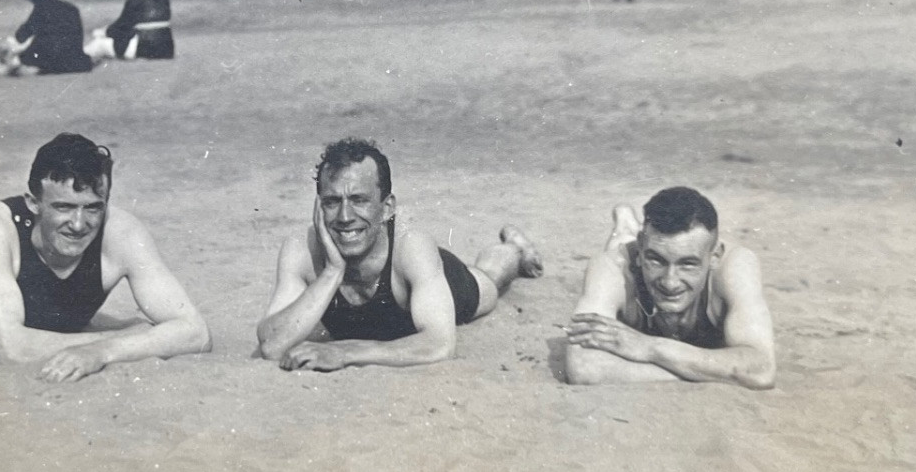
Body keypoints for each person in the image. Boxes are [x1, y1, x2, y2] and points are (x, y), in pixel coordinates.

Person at [0, 134, 210, 381]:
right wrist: (138, 337)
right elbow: (9, 350)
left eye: (93, 208)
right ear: (33, 203)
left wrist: (101, 352)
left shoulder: (122, 232)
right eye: (63, 207)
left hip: (52, 327)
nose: (78, 224)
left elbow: (196, 333)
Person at [257, 138, 544, 371]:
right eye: (333, 202)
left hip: (443, 279)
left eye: (359, 200)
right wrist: (332, 271)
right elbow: (271, 345)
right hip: (381, 295)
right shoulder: (301, 251)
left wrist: (344, 351)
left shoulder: (412, 248)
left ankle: (514, 249)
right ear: (318, 207)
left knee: (489, 280)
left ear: (387, 207)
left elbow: (440, 344)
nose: (345, 216)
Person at [564, 187, 775, 388]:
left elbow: (761, 370)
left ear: (714, 257)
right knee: (619, 248)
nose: (670, 282)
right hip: (630, 257)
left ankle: (629, 229)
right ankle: (625, 230)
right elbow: (583, 367)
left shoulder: (735, 265)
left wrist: (650, 347)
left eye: (688, 264)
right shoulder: (611, 267)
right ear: (640, 251)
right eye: (656, 260)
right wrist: (705, 373)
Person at [0, 0, 92, 75]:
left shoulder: (40, 11)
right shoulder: (72, 9)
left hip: (47, 59)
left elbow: (21, 35)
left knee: (15, 53)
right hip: (73, 60)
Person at [104, 0, 174, 60]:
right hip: (166, 49)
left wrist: (105, 31)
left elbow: (122, 25)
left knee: (99, 44)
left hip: (144, 48)